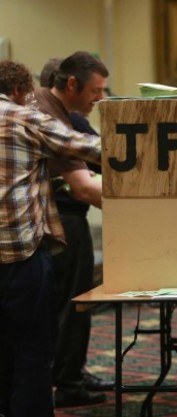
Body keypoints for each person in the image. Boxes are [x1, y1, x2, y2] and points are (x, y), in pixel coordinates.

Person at [0, 59, 102, 417]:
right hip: (19, 250)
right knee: (31, 347)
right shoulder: (21, 117)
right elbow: (88, 148)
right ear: (16, 91)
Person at [34, 52, 113, 408]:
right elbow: (82, 187)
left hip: (57, 219)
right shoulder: (51, 117)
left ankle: (71, 373)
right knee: (74, 304)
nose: (101, 98)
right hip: (61, 221)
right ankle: (68, 382)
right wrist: (143, 208)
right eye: (96, 91)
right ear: (71, 84)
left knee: (67, 303)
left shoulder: (57, 110)